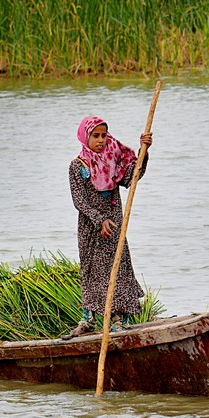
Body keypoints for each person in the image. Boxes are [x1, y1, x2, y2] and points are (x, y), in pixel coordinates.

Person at [64, 115, 153, 338]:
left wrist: (144, 152)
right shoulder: (77, 166)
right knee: (92, 272)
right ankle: (89, 319)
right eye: (95, 136)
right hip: (91, 229)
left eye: (104, 135)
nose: (101, 140)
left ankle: (118, 320)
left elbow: (132, 177)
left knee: (118, 269)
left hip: (114, 227)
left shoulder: (112, 161)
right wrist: (98, 220)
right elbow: (79, 201)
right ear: (85, 137)